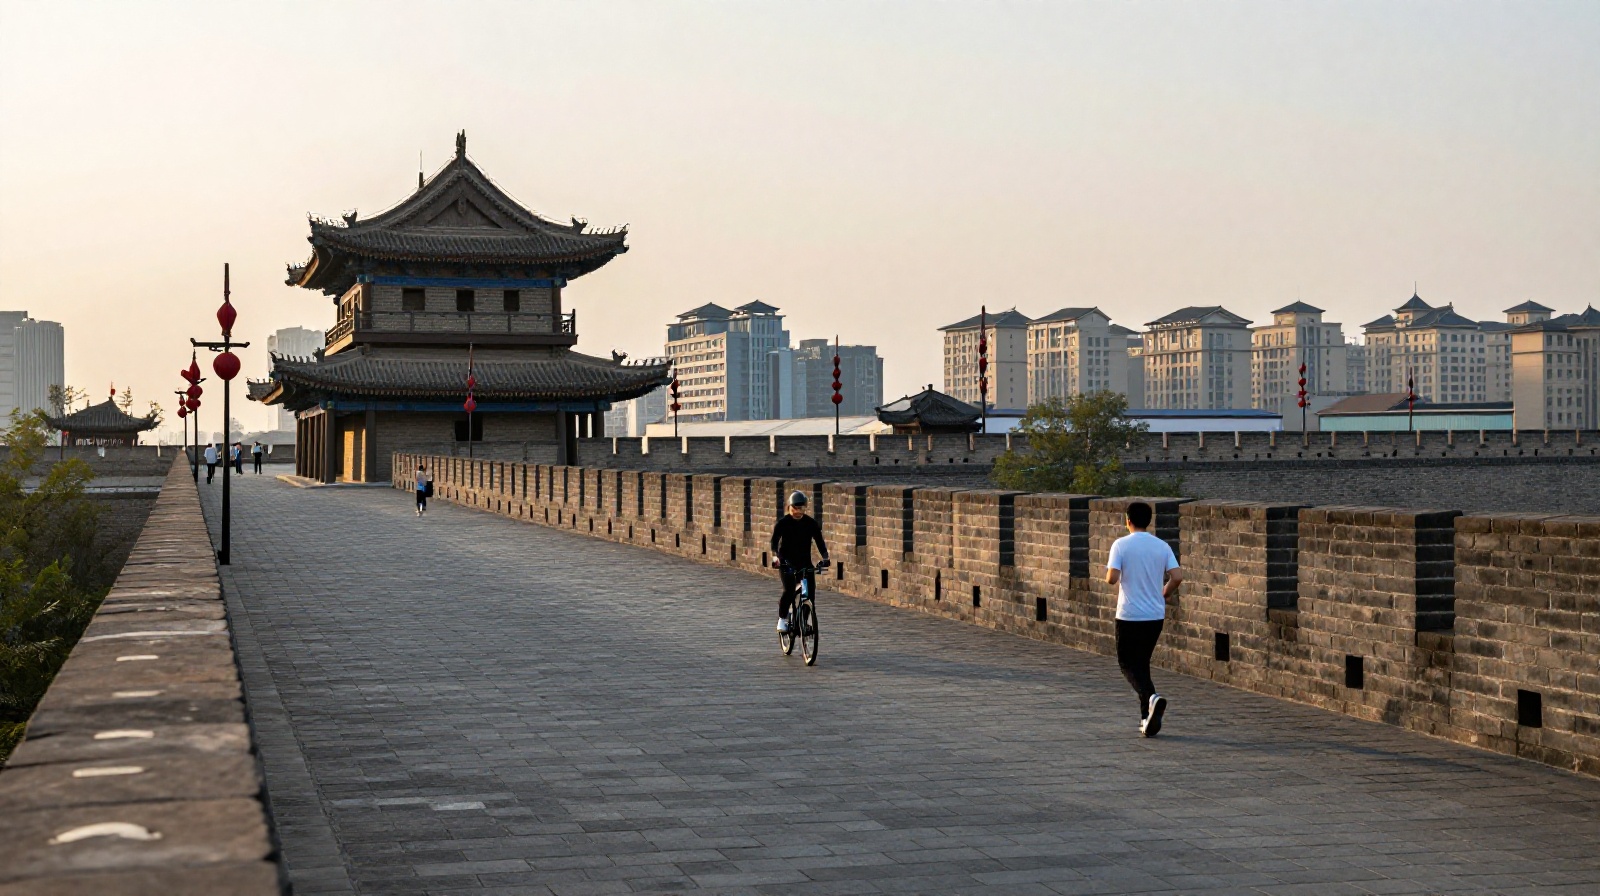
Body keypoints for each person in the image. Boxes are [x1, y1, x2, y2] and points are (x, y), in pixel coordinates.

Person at [1106, 501, 1183, 737]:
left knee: (1127, 664)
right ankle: (1145, 717)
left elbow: (1112, 578)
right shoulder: (1162, 546)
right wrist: (1165, 592)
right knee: (1142, 664)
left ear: (1127, 520)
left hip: (1129, 614)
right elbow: (1177, 576)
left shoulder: (1120, 545)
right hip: (1155, 615)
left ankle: (1152, 698)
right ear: (1148, 520)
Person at [769, 490, 830, 634]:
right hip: (787, 563)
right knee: (789, 591)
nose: (798, 511)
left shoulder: (810, 523)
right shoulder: (783, 523)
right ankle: (782, 618)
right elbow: (774, 542)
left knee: (810, 595)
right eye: (795, 508)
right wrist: (776, 557)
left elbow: (820, 542)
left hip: (805, 563)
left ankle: (803, 622)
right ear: (789, 507)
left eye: (801, 508)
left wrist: (825, 557)